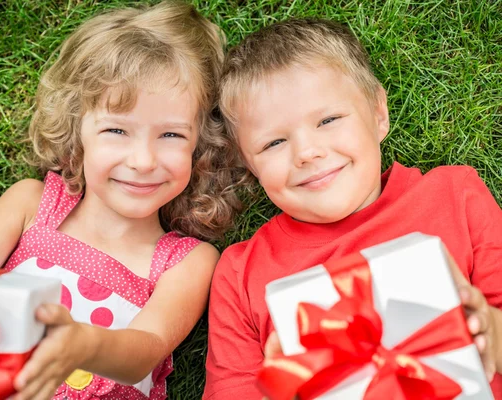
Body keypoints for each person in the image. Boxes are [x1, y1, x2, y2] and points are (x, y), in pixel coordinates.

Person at [0, 2, 240, 399]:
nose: (142, 161)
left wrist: (85, 345)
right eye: (117, 130)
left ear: (200, 145)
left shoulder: (186, 262)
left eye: (171, 135)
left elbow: (144, 351)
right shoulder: (31, 207)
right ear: (76, 130)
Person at [203, 18, 502, 399]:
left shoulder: (455, 196)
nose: (308, 152)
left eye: (328, 120)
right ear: (248, 162)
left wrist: (490, 329)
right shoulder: (240, 274)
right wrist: (279, 388)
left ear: (378, 114)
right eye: (274, 143)